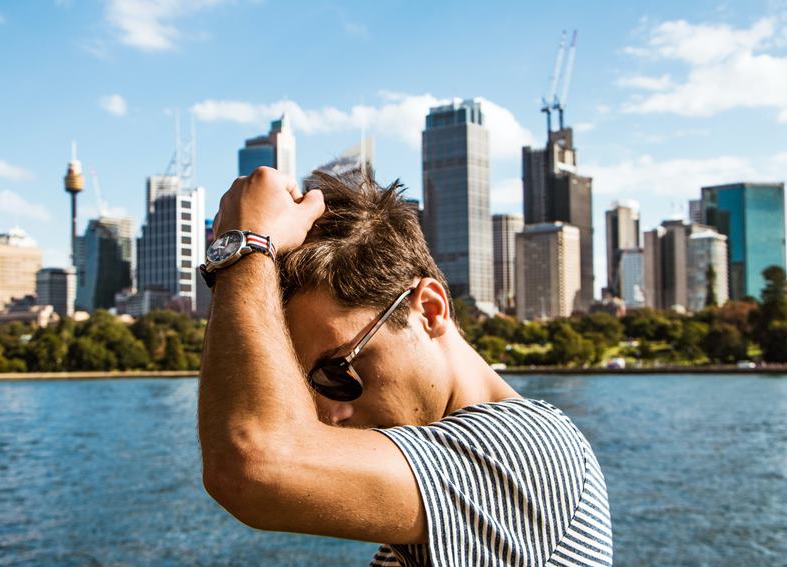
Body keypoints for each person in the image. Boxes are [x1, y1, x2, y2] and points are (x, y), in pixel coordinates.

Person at [198, 166, 613, 566]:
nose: (327, 415)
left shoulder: (528, 452)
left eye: (338, 371)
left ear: (430, 310)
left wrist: (246, 247)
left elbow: (254, 464)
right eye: (306, 388)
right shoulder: (442, 506)